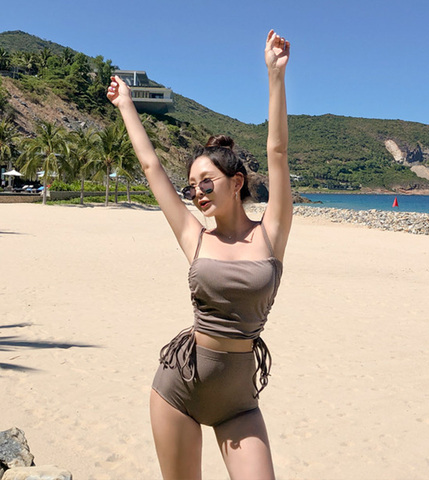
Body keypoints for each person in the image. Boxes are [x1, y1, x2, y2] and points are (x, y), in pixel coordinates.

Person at [107, 29, 291, 480]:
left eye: (207, 182)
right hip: (179, 389)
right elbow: (151, 168)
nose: (198, 193)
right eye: (192, 186)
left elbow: (278, 153)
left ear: (237, 182)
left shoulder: (271, 234)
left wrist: (274, 76)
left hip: (238, 402)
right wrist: (126, 104)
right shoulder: (195, 236)